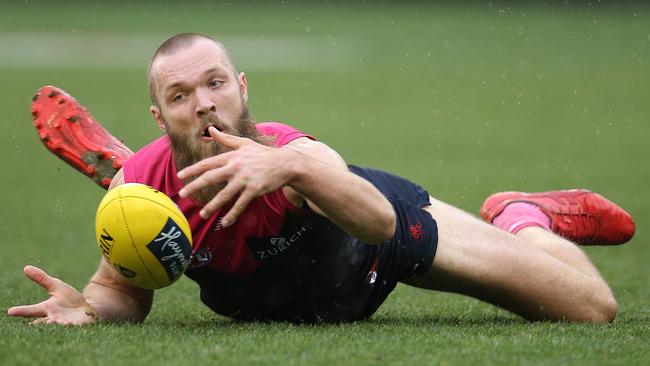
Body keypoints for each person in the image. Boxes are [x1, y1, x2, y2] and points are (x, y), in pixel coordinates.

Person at [9, 33, 635, 325]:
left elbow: (378, 221)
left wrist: (293, 165)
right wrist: (90, 309)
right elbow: (123, 294)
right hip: (279, 292)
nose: (202, 103)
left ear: (241, 88)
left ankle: (522, 215)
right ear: (159, 115)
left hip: (378, 242)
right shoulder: (143, 187)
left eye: (215, 84)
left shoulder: (291, 154)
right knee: (157, 230)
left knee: (589, 309)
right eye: (180, 95)